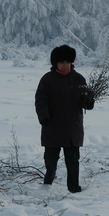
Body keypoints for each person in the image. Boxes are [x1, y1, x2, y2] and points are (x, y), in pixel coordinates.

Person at [35, 45, 95, 193]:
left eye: (68, 61)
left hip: (72, 128)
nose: (65, 64)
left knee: (73, 160)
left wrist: (89, 101)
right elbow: (40, 101)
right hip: (52, 126)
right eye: (61, 62)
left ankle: (74, 187)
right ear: (55, 63)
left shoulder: (78, 78)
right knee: (50, 160)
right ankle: (48, 181)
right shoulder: (47, 79)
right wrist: (44, 118)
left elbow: (85, 103)